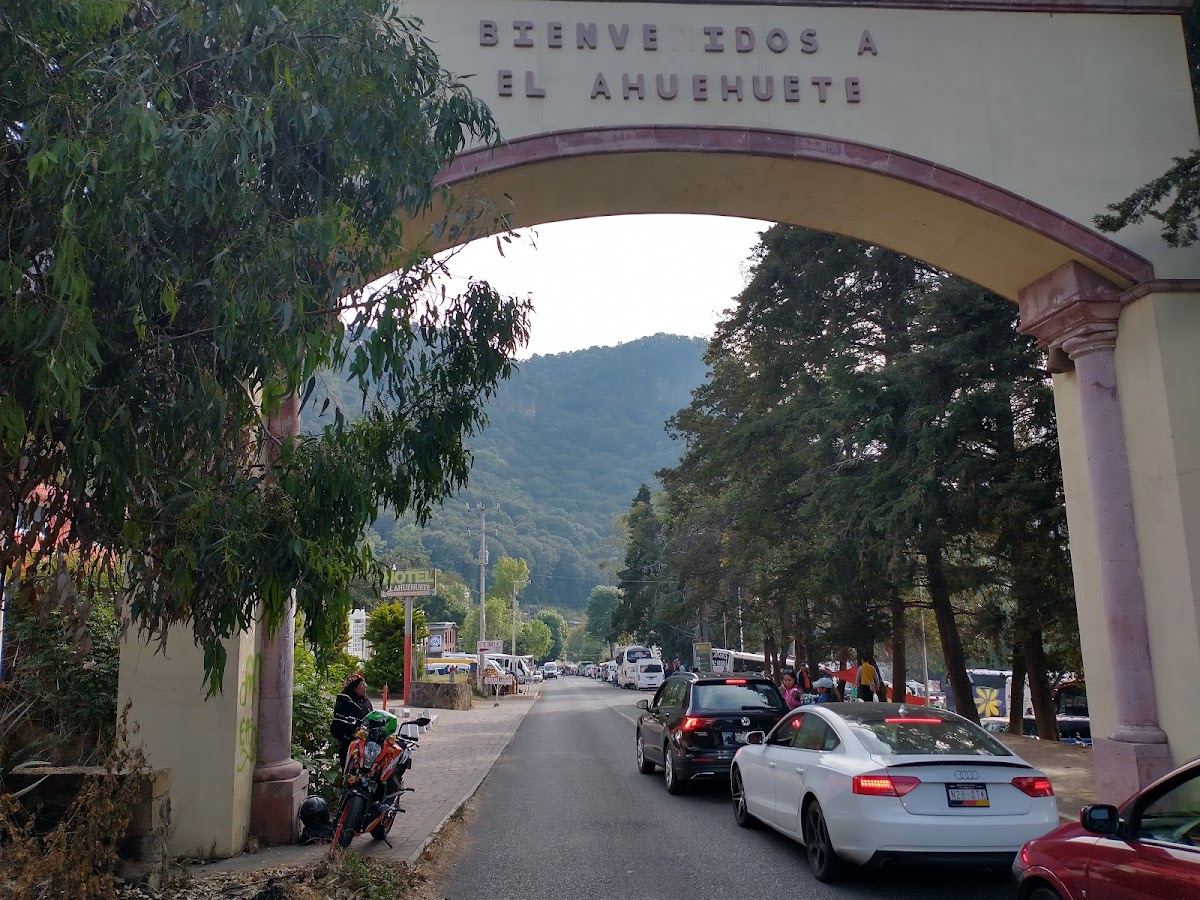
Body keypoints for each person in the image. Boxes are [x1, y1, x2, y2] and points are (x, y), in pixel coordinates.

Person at [331, 672, 373, 772]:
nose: (365, 686)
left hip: (366, 745)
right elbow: (339, 722)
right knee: (349, 774)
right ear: (354, 688)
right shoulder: (345, 701)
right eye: (362, 684)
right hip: (349, 745)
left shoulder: (365, 701)